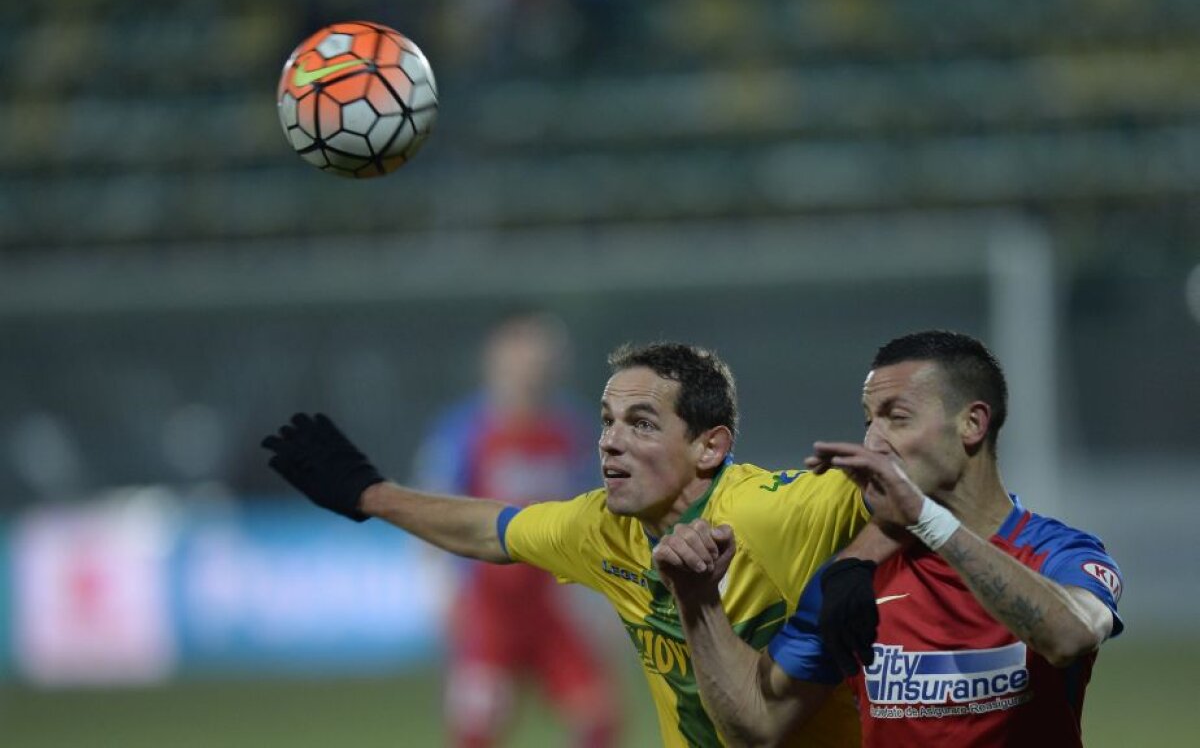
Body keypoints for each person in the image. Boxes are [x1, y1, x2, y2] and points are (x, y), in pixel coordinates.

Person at [262, 341, 899, 747]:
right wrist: (369, 495)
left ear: (711, 446)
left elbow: (916, 483)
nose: (610, 442)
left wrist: (860, 558)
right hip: (493, 619)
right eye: (607, 422)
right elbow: (491, 529)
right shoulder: (599, 526)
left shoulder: (777, 509)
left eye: (641, 424)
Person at [653, 330, 1124, 747]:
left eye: (896, 418)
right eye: (868, 422)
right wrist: (697, 601)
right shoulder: (853, 578)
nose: (874, 443)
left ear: (973, 424)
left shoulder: (1058, 551)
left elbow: (1069, 636)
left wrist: (926, 517)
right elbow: (758, 726)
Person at [413, 313, 617, 748]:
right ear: (496, 362)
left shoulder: (573, 432)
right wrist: (438, 589)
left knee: (598, 720)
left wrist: (604, 594)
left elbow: (600, 517)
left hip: (552, 603)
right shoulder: (464, 431)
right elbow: (432, 508)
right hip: (489, 609)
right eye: (522, 358)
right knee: (476, 730)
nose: (533, 368)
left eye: (541, 358)